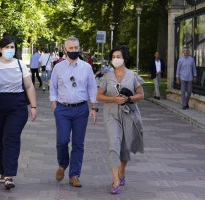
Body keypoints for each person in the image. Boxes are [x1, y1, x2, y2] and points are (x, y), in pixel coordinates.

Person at [0, 36, 37, 190]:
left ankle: (9, 175)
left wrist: (33, 107)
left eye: (12, 47)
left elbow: (29, 86)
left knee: (10, 138)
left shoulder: (20, 64)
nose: (10, 50)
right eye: (7, 47)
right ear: (0, 49)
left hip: (17, 107)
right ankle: (3, 171)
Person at [50, 36, 98, 187]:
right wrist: (55, 108)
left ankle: (74, 175)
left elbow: (92, 87)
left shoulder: (86, 67)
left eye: (76, 48)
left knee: (78, 144)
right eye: (71, 48)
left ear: (79, 48)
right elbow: (53, 88)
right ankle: (63, 165)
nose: (74, 50)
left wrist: (94, 107)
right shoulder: (58, 67)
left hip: (81, 109)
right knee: (62, 141)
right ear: (65, 50)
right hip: (62, 109)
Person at [96, 45, 144, 195]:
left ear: (124, 58)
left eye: (118, 57)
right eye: (113, 57)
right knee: (113, 145)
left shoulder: (133, 75)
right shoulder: (106, 77)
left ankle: (122, 171)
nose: (115, 59)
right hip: (111, 114)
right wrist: (112, 99)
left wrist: (128, 98)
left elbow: (141, 95)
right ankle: (116, 180)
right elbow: (99, 96)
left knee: (125, 147)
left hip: (129, 113)